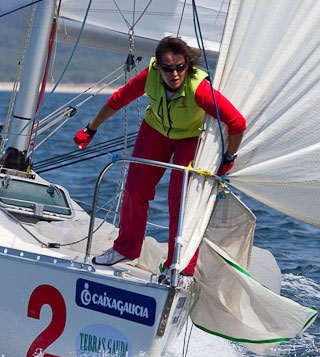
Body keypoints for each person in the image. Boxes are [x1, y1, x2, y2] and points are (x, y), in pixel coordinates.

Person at [74, 36, 246, 276]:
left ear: (188, 66)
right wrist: (90, 128)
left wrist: (229, 157)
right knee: (135, 189)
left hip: (190, 136)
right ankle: (126, 249)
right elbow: (118, 99)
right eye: (167, 68)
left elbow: (237, 123)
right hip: (155, 130)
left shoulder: (199, 89)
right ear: (158, 66)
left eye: (180, 68)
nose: (174, 74)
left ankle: (180, 265)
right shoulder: (150, 77)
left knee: (180, 198)